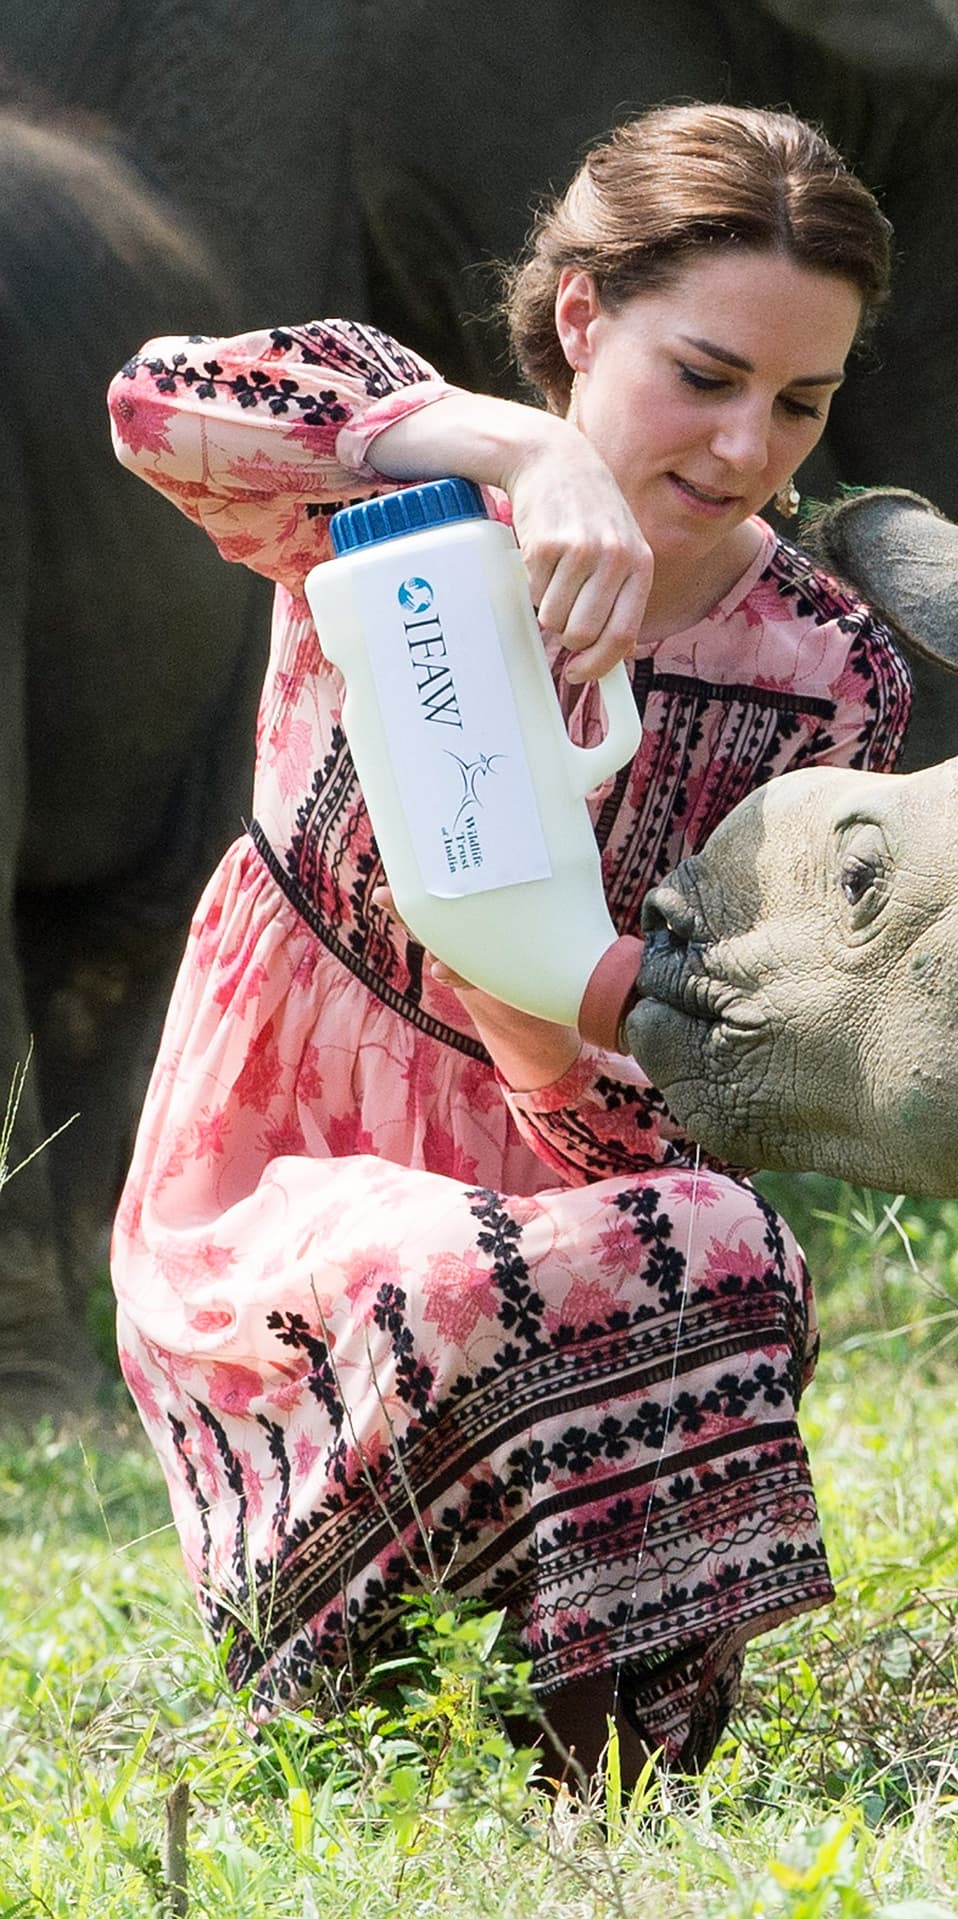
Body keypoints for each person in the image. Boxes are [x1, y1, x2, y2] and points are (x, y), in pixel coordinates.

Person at [107, 102, 911, 1785]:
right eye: (704, 374)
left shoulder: (828, 676)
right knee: (462, 1278)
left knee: (717, 1239)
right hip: (279, 1163)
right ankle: (355, 1697)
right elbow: (158, 403)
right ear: (578, 318)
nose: (750, 442)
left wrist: (553, 1046)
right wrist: (515, 455)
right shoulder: (387, 500)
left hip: (570, 1159)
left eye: (802, 402)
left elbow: (736, 1061)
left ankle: (608, 1778)